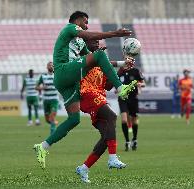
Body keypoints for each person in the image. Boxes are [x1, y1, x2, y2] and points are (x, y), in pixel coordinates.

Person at [33, 11, 137, 169]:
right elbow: (89, 37)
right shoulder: (69, 29)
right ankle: (120, 87)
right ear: (77, 20)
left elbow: (100, 61)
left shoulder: (79, 44)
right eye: (85, 21)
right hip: (63, 71)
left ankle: (43, 146)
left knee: (74, 119)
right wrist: (115, 33)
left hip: (68, 82)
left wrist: (123, 63)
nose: (87, 25)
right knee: (99, 55)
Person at [76, 39, 131, 183]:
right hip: (87, 94)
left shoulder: (102, 63)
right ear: (85, 46)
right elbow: (93, 58)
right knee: (112, 116)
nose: (97, 43)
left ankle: (84, 168)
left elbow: (107, 86)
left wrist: (121, 70)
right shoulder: (84, 60)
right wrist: (118, 62)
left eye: (97, 42)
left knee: (106, 137)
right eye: (93, 41)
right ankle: (112, 158)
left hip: (98, 97)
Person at [118, 61, 145, 151]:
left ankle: (134, 139)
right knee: (124, 120)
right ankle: (127, 141)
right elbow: (115, 82)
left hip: (133, 98)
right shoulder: (120, 71)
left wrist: (140, 85)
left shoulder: (136, 71)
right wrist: (117, 89)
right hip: (123, 98)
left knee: (134, 119)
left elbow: (143, 83)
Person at [36, 62, 59, 135]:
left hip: (54, 99)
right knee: (47, 119)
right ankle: (54, 122)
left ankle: (53, 133)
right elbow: (36, 87)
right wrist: (42, 87)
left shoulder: (57, 75)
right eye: (49, 65)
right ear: (47, 67)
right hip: (46, 100)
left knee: (52, 115)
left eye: (52, 65)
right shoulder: (43, 77)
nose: (51, 66)